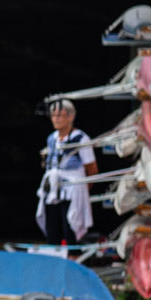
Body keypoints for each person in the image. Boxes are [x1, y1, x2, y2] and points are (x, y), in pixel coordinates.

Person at [38, 98, 96, 245]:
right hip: (52, 189)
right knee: (52, 229)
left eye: (59, 115)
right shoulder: (52, 138)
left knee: (70, 228)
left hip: (72, 191)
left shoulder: (81, 139)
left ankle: (72, 257)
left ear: (70, 116)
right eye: (53, 115)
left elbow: (92, 169)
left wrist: (82, 190)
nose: (55, 119)